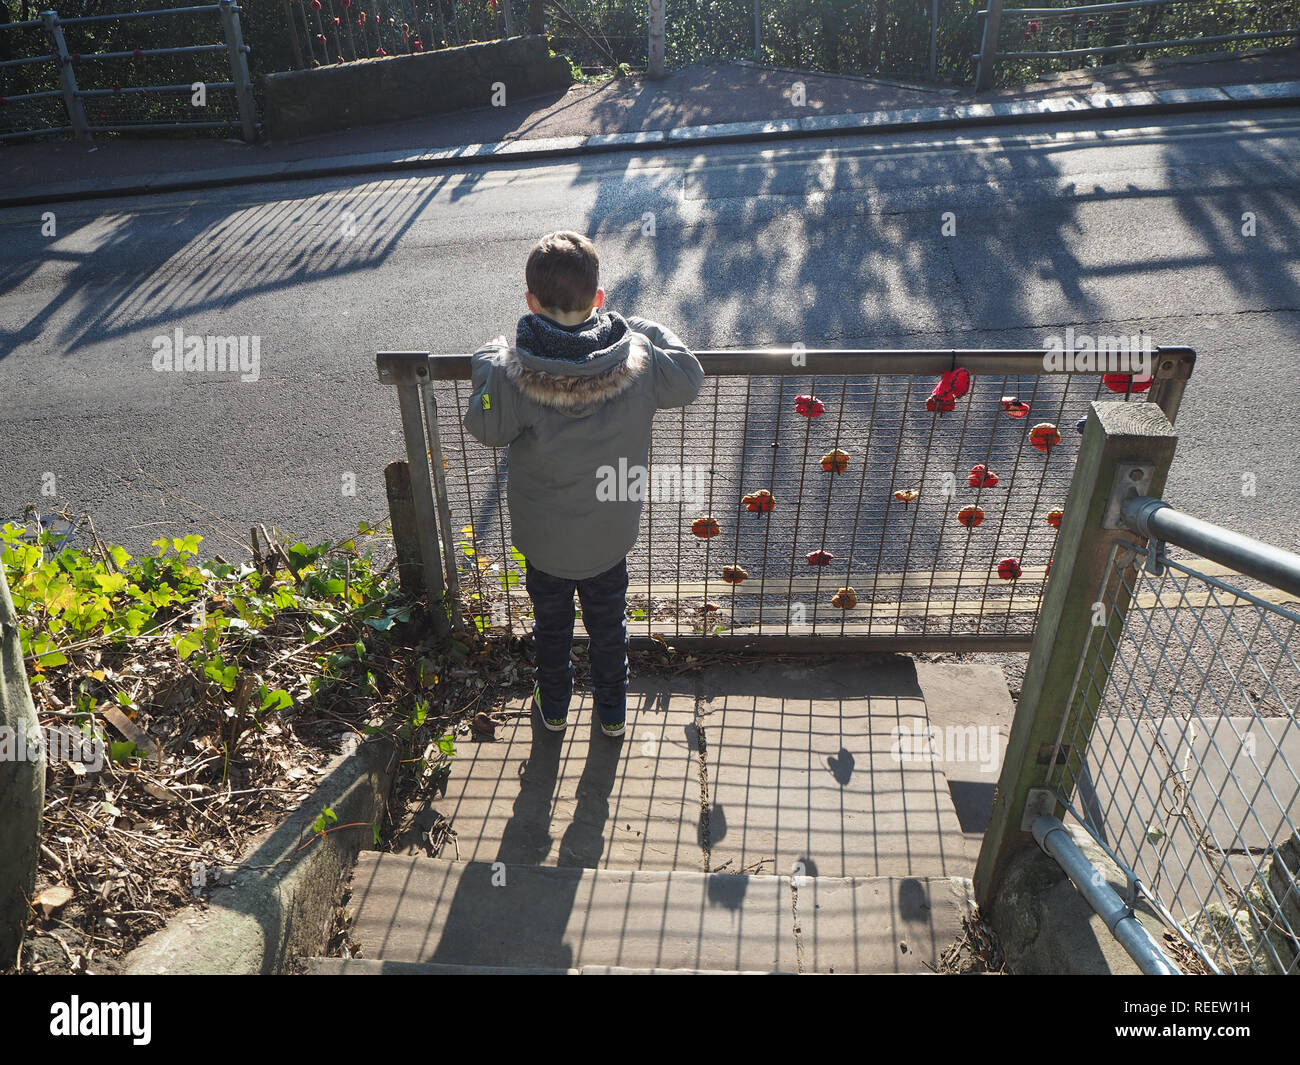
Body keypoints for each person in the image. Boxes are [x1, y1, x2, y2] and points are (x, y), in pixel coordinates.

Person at [463, 231, 704, 738]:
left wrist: (486, 364)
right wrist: (635, 325)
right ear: (599, 298)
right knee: (608, 625)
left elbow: (486, 426)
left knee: (551, 628)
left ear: (531, 301)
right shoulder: (637, 360)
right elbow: (689, 375)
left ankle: (553, 705)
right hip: (609, 538)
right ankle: (612, 711)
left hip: (544, 543)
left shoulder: (513, 373)